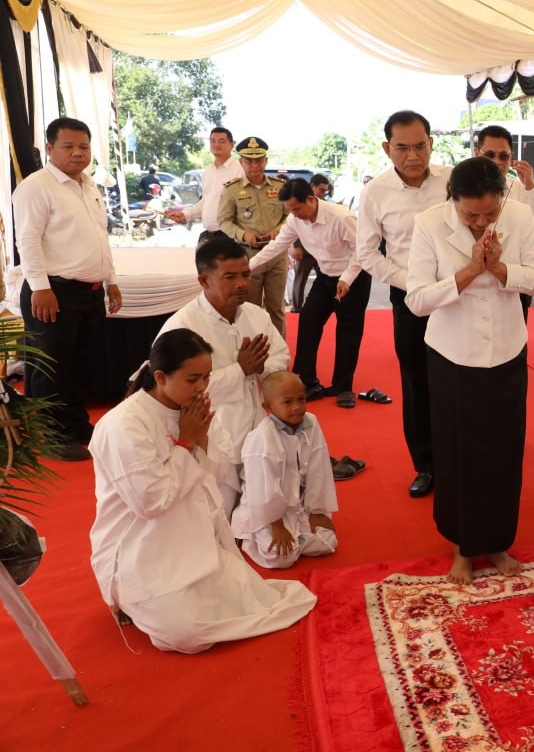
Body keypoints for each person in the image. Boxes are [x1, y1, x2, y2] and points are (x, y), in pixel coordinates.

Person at [87, 328, 316, 653]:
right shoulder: (123, 425)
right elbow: (150, 503)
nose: (202, 387)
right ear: (161, 377)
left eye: (206, 377)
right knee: (187, 635)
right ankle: (124, 593)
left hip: (193, 537)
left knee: (252, 600)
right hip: (141, 546)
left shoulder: (193, 408)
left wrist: (201, 438)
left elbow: (218, 473)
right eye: (192, 379)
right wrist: (186, 442)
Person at [406, 156, 534, 586]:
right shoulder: (429, 223)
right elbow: (417, 300)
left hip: (507, 347)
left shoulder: (518, 216)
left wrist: (501, 268)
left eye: (490, 213)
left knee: (504, 451)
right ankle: (463, 546)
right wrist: (470, 271)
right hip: (453, 353)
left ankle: (497, 541)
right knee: (458, 454)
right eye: (471, 215)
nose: (482, 221)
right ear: (454, 199)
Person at [14, 117, 123, 461]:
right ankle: (50, 436)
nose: (78, 153)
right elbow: (28, 240)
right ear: (50, 148)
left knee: (80, 365)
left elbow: (100, 238)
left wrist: (110, 280)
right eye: (68, 146)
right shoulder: (37, 186)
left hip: (88, 291)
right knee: (51, 368)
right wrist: (40, 287)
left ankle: (75, 425)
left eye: (83, 146)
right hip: (53, 291)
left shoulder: (89, 185)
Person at [158, 234, 290, 515]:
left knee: (264, 516)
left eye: (246, 275)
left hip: (259, 429)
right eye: (230, 277)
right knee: (219, 519)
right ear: (204, 281)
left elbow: (281, 357)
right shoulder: (182, 327)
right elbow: (177, 391)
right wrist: (240, 370)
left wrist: (260, 368)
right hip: (213, 438)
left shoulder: (256, 315)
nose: (242, 284)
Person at [357, 110, 451, 498]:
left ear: (431, 144)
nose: (413, 156)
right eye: (402, 148)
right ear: (387, 148)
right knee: (417, 380)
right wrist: (410, 282)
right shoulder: (375, 192)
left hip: (455, 294)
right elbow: (367, 253)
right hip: (409, 297)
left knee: (458, 377)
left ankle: (458, 458)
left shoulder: (450, 181)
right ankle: (426, 464)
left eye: (420, 146)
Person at [248, 178, 369, 407]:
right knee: (308, 320)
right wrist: (248, 267)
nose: (294, 214)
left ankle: (343, 386)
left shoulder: (341, 217)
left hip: (353, 277)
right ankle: (307, 380)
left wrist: (346, 278)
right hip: (325, 276)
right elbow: (277, 246)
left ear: (311, 199)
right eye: (290, 210)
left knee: (347, 331)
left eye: (297, 208)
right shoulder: (295, 220)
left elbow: (363, 251)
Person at [231, 371, 339, 569]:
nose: (297, 407)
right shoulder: (262, 437)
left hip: (299, 503)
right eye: (288, 402)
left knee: (327, 542)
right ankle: (253, 537)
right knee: (280, 557)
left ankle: (300, 537)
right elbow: (262, 489)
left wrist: (316, 511)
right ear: (268, 407)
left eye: (301, 399)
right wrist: (276, 525)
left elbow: (319, 468)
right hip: (267, 510)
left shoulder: (312, 423)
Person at [473, 125, 534, 320]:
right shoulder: (461, 190)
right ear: (477, 154)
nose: (497, 161)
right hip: (471, 284)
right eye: (490, 155)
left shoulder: (522, 190)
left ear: (511, 158)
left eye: (503, 156)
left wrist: (531, 187)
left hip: (513, 284)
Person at [218, 137, 288, 337]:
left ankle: (279, 350)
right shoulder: (232, 189)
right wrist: (244, 235)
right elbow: (224, 221)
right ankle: (254, 349)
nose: (254, 165)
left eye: (259, 160)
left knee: (276, 307)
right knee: (250, 308)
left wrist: (278, 231)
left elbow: (290, 215)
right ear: (241, 162)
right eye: (249, 161)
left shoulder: (280, 187)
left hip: (276, 255)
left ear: (266, 161)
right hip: (248, 257)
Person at [167, 127, 244, 231]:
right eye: (213, 141)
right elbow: (206, 201)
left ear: (232, 145)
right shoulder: (209, 170)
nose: (216, 144)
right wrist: (186, 214)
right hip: (209, 233)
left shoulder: (240, 169)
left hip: (231, 234)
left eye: (222, 141)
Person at [287, 173, 331, 311]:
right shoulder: (298, 201)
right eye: (321, 190)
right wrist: (296, 247)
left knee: (326, 278)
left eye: (325, 191)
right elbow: (293, 228)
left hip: (322, 250)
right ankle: (297, 307)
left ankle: (328, 305)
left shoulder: (326, 205)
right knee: (300, 279)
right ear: (312, 186)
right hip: (304, 250)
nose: (323, 193)